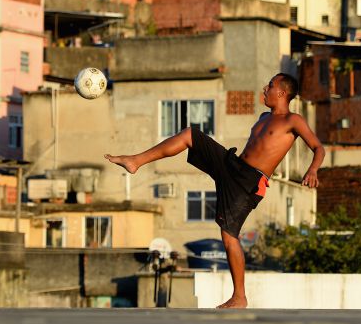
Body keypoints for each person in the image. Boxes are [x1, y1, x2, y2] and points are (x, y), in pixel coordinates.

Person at [105, 73, 325, 308]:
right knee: (190, 134)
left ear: (282, 93)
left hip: (248, 182)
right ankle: (136, 161)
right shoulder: (262, 117)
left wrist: (312, 170)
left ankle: (239, 297)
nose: (265, 88)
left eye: (270, 86)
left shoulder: (293, 120)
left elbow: (318, 147)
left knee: (229, 237)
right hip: (232, 165)